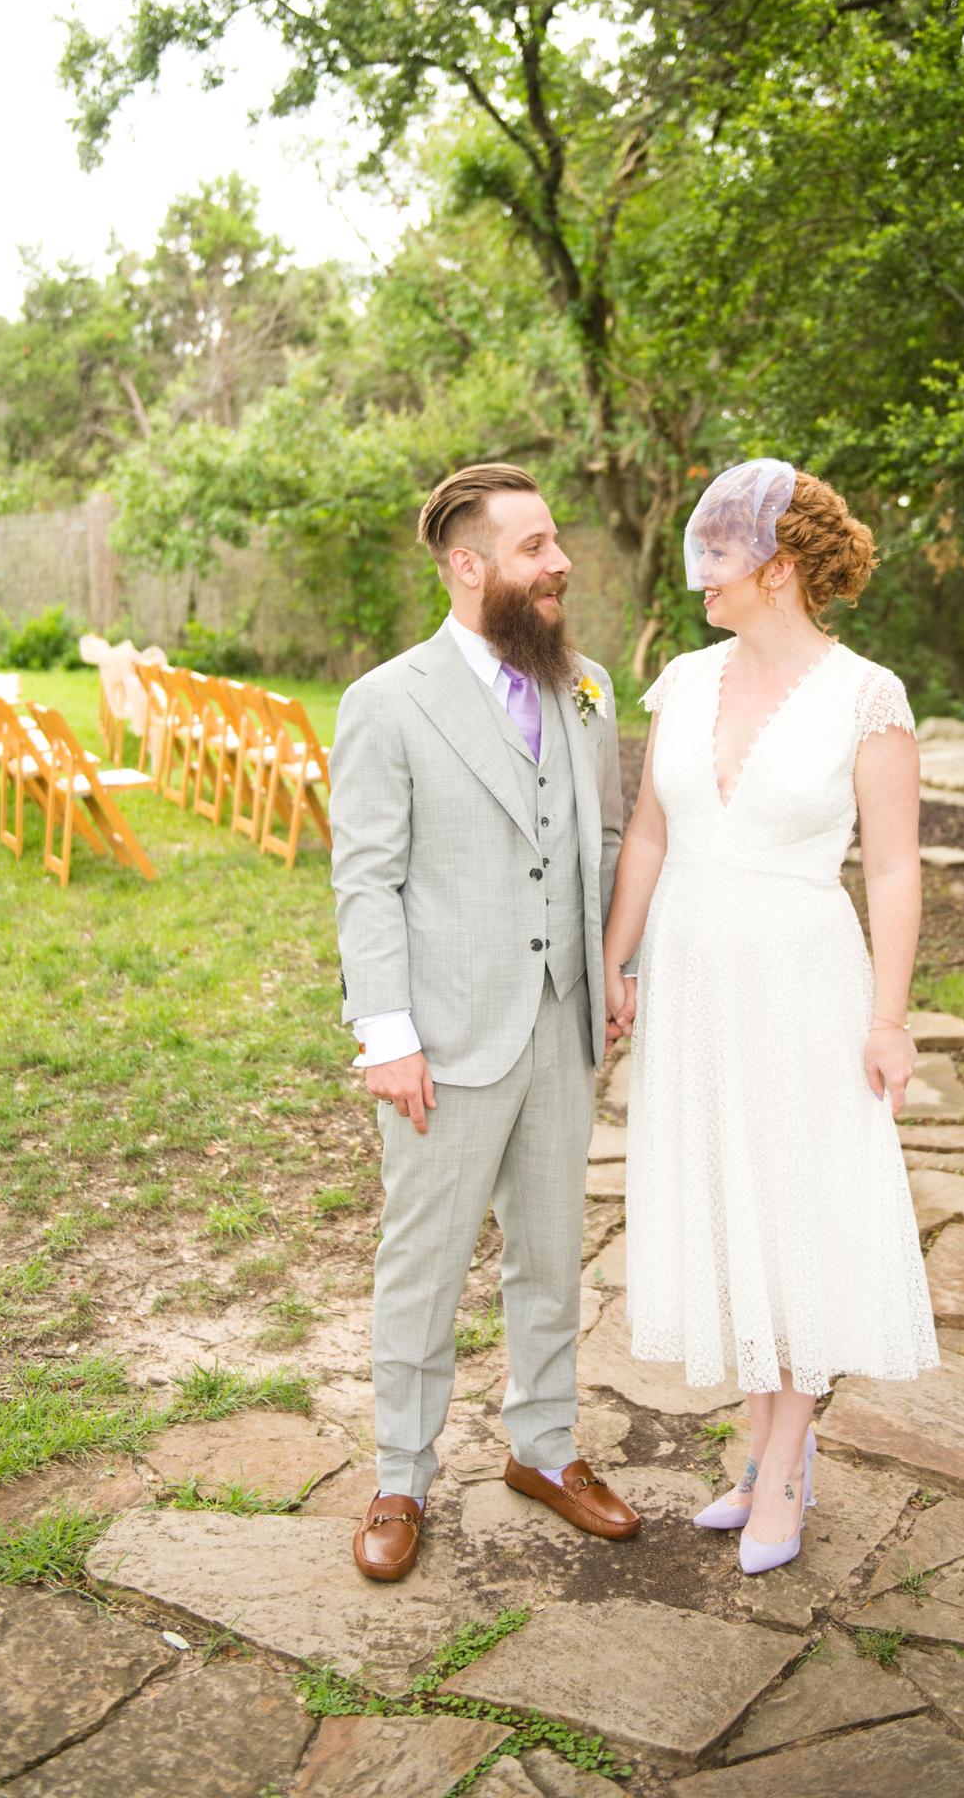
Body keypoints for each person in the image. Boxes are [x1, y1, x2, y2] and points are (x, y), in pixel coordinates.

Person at [602, 458, 938, 1575]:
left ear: (778, 567)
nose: (698, 573)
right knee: (726, 1206)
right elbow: (649, 834)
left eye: (716, 553)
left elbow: (892, 868)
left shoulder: (866, 696)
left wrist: (889, 1019)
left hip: (801, 982)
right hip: (692, 981)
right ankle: (760, 1444)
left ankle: (784, 1459)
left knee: (794, 1213)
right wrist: (615, 958)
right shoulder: (682, 680)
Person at [330, 462, 640, 1582]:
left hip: (562, 1026)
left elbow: (605, 840)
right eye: (534, 548)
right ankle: (399, 1475)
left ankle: (543, 1447)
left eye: (556, 543)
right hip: (444, 1039)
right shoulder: (386, 700)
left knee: (550, 1255)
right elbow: (367, 878)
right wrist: (387, 1034)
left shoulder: (586, 686)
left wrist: (617, 965)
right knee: (424, 1263)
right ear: (468, 566)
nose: (561, 563)